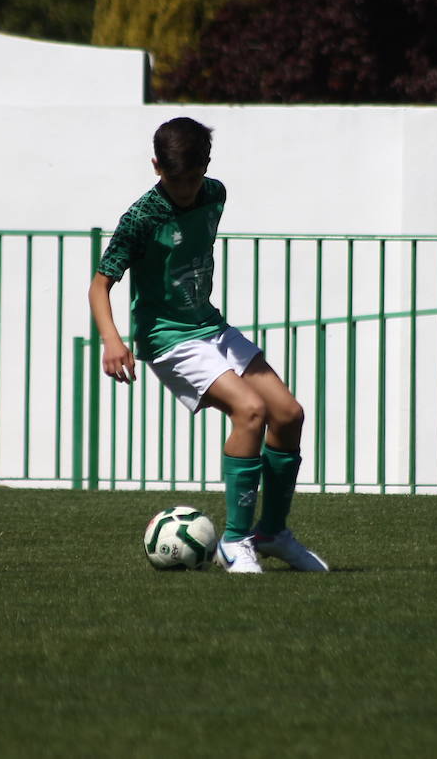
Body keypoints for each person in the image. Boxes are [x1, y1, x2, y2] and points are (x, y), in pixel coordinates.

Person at [89, 117, 328, 573]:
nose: (185, 190)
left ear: (207, 167)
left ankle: (272, 533)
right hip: (168, 337)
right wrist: (112, 341)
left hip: (210, 325)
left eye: (193, 179)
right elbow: (100, 285)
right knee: (250, 411)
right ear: (156, 166)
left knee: (288, 414)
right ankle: (234, 541)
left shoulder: (215, 194)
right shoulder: (142, 217)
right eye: (174, 180)